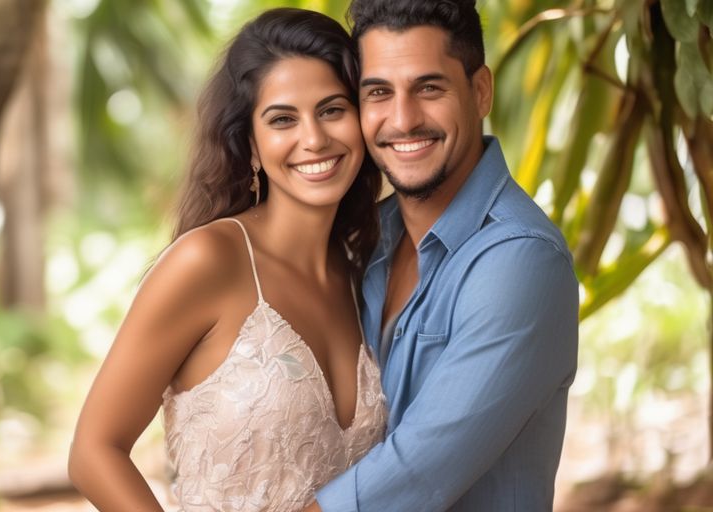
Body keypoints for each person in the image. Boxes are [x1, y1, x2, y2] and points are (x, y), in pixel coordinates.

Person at [68, 8, 387, 511]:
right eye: (283, 119)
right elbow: (93, 453)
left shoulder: (360, 269)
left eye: (332, 109)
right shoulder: (208, 261)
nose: (314, 138)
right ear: (252, 146)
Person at [303, 0, 580, 511]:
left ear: (480, 92)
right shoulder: (364, 240)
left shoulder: (520, 262)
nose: (403, 120)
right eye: (379, 92)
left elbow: (413, 475)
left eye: (429, 88)